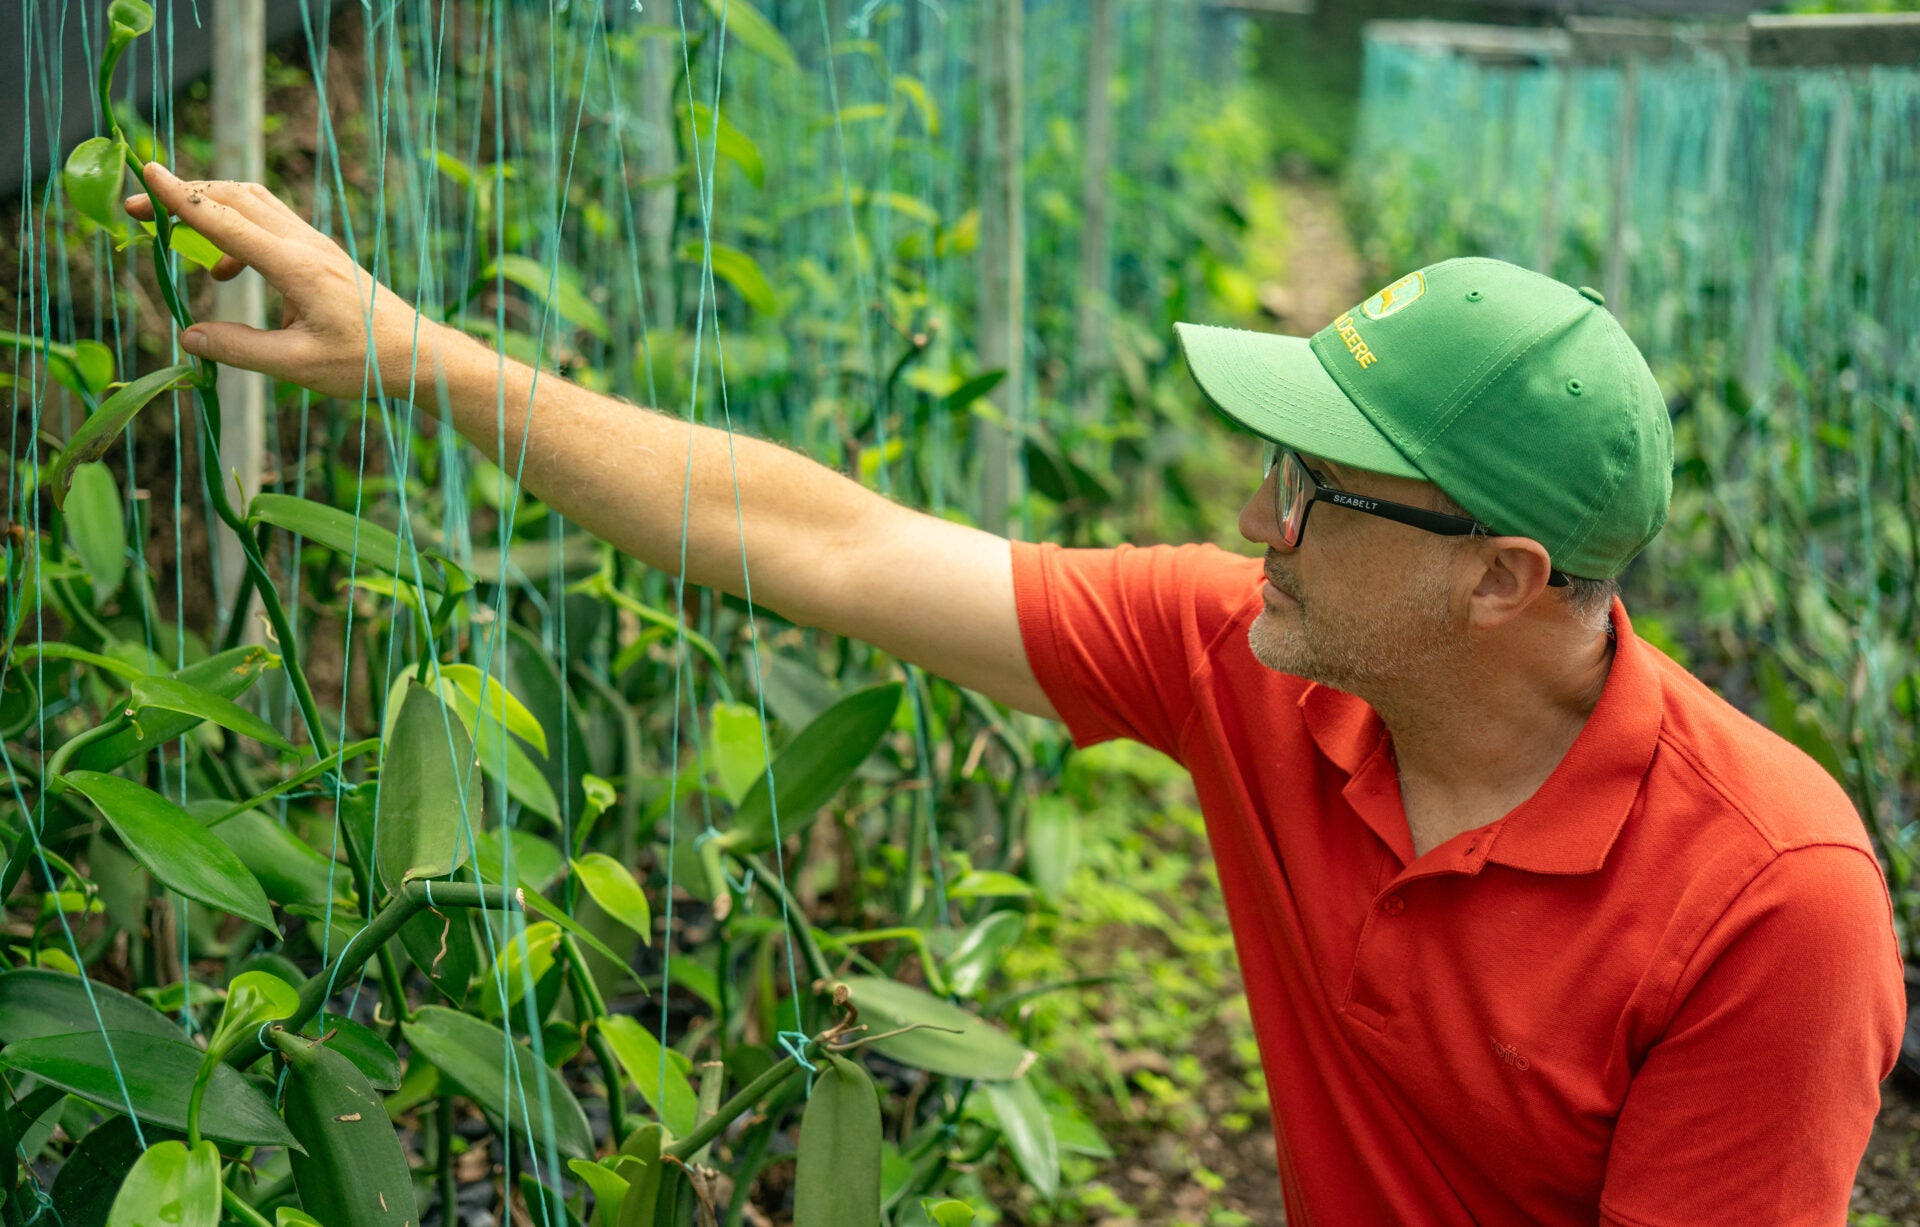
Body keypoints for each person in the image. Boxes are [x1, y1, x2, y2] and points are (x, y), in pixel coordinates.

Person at [127, 164, 1903, 1226]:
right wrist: (409, 348)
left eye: (1315, 492)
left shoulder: (1771, 909)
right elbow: (824, 545)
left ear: (1503, 578)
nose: (1250, 520)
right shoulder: (1247, 662)